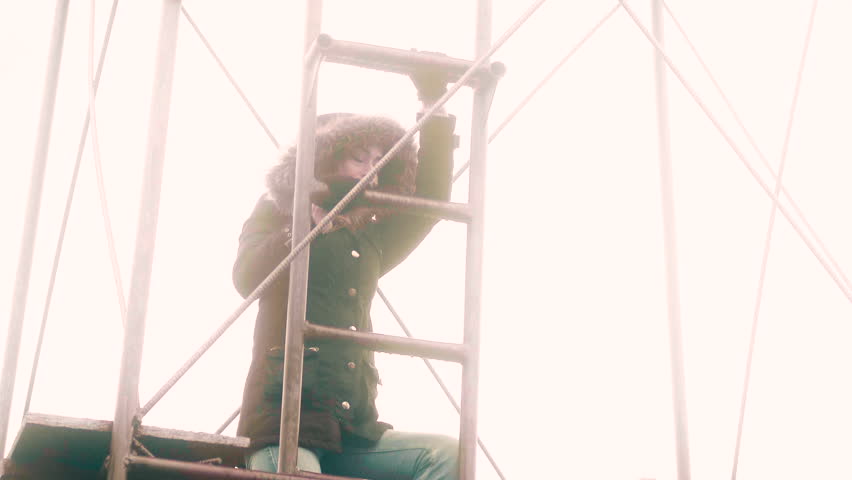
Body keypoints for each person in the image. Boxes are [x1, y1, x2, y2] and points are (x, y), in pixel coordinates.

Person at [232, 73, 460, 479]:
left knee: (444, 454)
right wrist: (303, 230)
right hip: (286, 424)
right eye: (358, 158)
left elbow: (430, 200)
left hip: (352, 429)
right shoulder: (279, 210)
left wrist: (433, 104)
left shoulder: (369, 238)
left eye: (378, 161)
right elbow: (246, 277)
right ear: (327, 159)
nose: (369, 171)